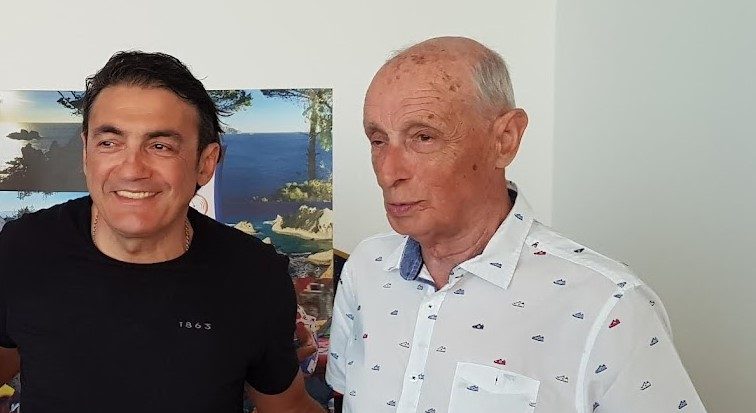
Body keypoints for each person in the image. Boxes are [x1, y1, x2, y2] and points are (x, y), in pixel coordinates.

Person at [326, 36, 706, 412]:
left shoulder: (609, 305)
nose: (388, 173)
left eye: (423, 137)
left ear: (505, 139)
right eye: (378, 140)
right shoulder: (365, 269)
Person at [0, 51, 325, 413]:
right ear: (86, 154)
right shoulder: (22, 250)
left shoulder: (254, 275)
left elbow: (289, 407)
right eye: (109, 143)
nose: (132, 169)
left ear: (206, 163)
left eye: (160, 146)